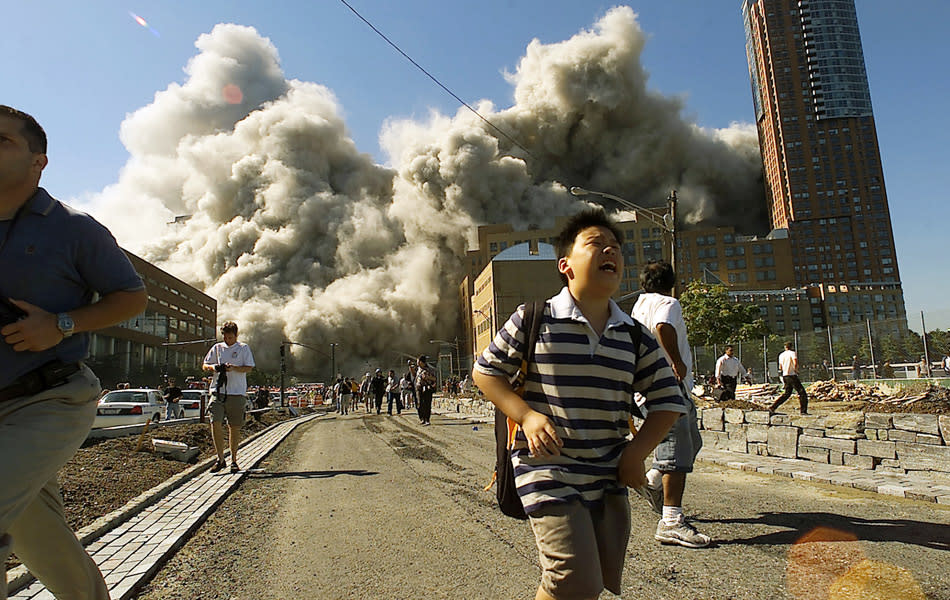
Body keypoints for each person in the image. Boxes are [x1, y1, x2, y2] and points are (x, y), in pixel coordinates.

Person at [473, 209, 685, 600]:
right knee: (574, 577)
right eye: (595, 243)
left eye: (616, 247)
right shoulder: (533, 319)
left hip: (607, 475)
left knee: (582, 585)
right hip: (546, 467)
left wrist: (637, 453)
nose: (610, 250)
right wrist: (527, 415)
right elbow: (485, 373)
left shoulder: (634, 336)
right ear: (565, 265)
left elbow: (668, 400)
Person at [0, 105, 148, 599]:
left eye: (3, 142)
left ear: (39, 160)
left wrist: (61, 325)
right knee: (37, 536)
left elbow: (132, 298)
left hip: (48, 398)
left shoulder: (73, 228)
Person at [632, 260, 713, 549]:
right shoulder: (669, 302)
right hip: (665, 385)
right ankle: (671, 521)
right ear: (672, 282)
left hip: (653, 385)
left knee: (691, 441)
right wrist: (677, 361)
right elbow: (663, 326)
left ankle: (653, 481)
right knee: (676, 449)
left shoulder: (639, 305)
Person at [202, 321, 255, 473]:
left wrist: (234, 368)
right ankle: (220, 459)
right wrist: (214, 367)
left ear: (236, 336)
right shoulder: (217, 348)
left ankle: (234, 459)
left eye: (230, 337)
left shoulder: (243, 348)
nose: (227, 340)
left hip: (236, 392)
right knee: (215, 422)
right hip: (218, 391)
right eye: (225, 337)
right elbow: (205, 365)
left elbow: (249, 367)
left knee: (234, 427)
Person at [769, 342, 809, 415]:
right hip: (792, 375)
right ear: (791, 346)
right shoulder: (792, 353)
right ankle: (803, 411)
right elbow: (795, 361)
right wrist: (796, 370)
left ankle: (773, 407)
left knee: (787, 394)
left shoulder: (781, 355)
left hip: (785, 376)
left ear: (785, 347)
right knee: (802, 392)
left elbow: (780, 367)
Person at [415, 355, 436, 425]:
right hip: (419, 388)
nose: (417, 363)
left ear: (421, 362)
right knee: (419, 404)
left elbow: (434, 379)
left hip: (427, 388)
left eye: (418, 361)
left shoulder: (429, 369)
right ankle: (422, 418)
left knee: (427, 404)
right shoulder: (417, 369)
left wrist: (428, 377)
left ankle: (427, 419)